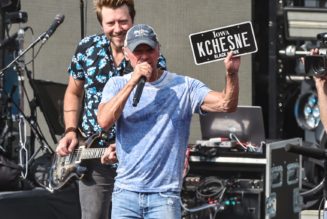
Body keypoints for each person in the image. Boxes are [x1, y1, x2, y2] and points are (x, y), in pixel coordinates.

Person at [98, 24, 241, 219]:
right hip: (126, 194)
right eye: (137, 51)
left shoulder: (184, 87)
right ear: (126, 53)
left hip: (164, 196)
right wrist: (133, 82)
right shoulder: (117, 85)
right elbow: (104, 121)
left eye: (149, 50)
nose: (144, 56)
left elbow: (226, 105)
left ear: (158, 50)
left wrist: (231, 74)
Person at [55, 1, 166, 219]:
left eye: (123, 21)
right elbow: (73, 93)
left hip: (135, 157)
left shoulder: (148, 55)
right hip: (92, 154)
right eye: (110, 23)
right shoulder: (87, 49)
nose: (117, 29)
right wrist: (70, 131)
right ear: (101, 23)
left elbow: (157, 108)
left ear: (132, 19)